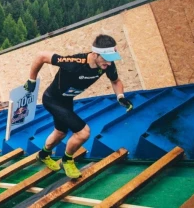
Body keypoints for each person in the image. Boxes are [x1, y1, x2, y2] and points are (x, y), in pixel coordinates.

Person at [24, 34, 133, 179]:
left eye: (111, 59)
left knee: (60, 132)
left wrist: (120, 97)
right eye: (106, 59)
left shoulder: (107, 64)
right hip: (52, 100)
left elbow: (116, 81)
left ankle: (44, 155)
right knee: (83, 133)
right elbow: (41, 56)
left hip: (67, 101)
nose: (109, 63)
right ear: (95, 54)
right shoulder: (74, 63)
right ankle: (67, 159)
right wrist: (32, 79)